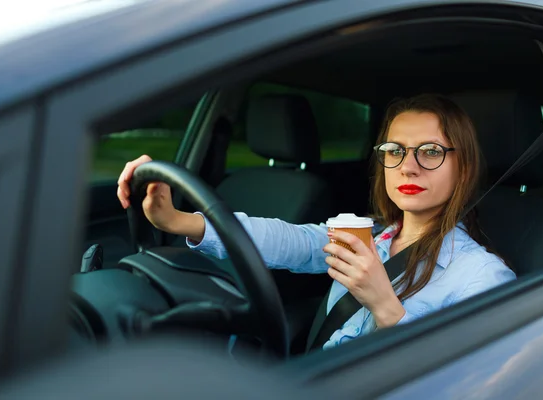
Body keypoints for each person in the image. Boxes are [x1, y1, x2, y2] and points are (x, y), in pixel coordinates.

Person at [116, 94, 516, 350]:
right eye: (394, 150)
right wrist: (177, 220)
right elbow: (286, 240)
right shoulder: (366, 234)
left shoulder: (482, 275)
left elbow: (468, 381)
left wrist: (387, 309)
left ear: (463, 168)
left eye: (429, 151)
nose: (407, 166)